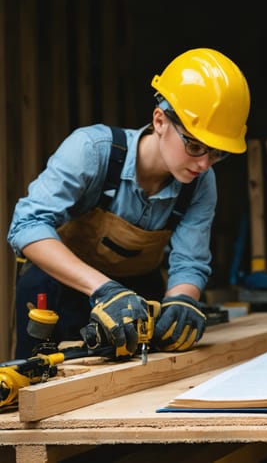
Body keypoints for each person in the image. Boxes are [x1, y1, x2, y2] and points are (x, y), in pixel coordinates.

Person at [8, 47, 251, 360]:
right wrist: (104, 289)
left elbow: (189, 263)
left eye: (217, 153)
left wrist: (182, 301)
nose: (204, 163)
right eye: (194, 145)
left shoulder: (200, 183)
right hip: (58, 290)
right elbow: (26, 225)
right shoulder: (92, 151)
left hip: (136, 295)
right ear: (160, 120)